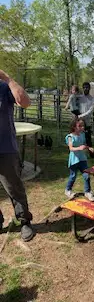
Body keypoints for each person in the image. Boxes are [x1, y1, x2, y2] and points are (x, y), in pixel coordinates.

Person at [0, 69, 34, 241]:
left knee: (14, 188)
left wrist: (7, 78)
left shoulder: (4, 87)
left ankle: (24, 221)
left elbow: (25, 102)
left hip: (5, 149)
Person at [65, 118, 94, 201]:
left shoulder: (82, 135)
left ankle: (88, 192)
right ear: (74, 127)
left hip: (82, 159)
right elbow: (71, 148)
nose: (82, 127)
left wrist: (89, 148)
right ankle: (68, 190)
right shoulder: (70, 137)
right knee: (73, 176)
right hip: (74, 160)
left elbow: (83, 145)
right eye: (80, 126)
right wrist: (79, 148)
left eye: (83, 126)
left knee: (86, 176)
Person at [78, 82, 94, 152]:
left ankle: (91, 153)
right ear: (82, 88)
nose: (86, 89)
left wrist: (81, 116)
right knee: (77, 137)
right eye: (84, 87)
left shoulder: (92, 99)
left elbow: (90, 111)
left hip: (87, 122)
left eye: (87, 87)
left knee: (88, 138)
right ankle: (77, 152)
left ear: (89, 88)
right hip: (78, 121)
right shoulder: (79, 97)